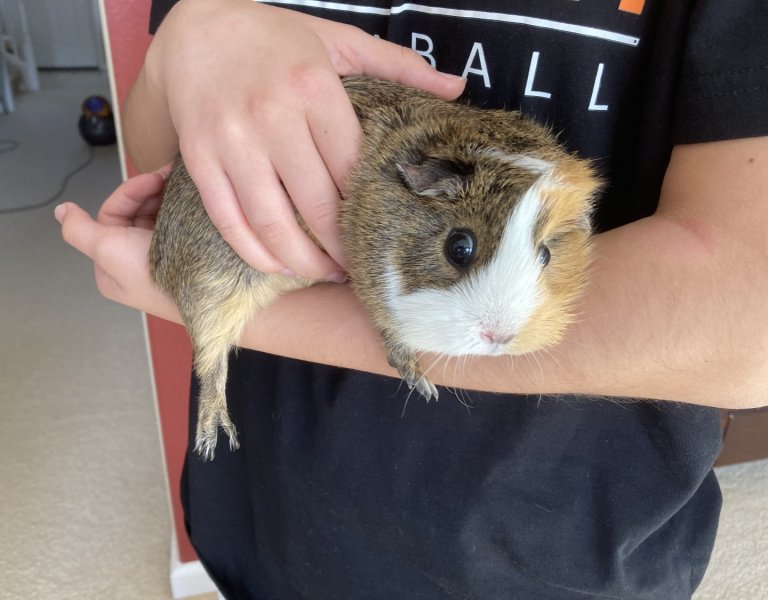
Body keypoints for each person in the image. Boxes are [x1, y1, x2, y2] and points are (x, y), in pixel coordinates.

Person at [57, 1, 768, 598]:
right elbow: (167, 162)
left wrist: (208, 302)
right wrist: (185, 44)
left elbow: (744, 319)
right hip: (264, 526)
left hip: (555, 555)